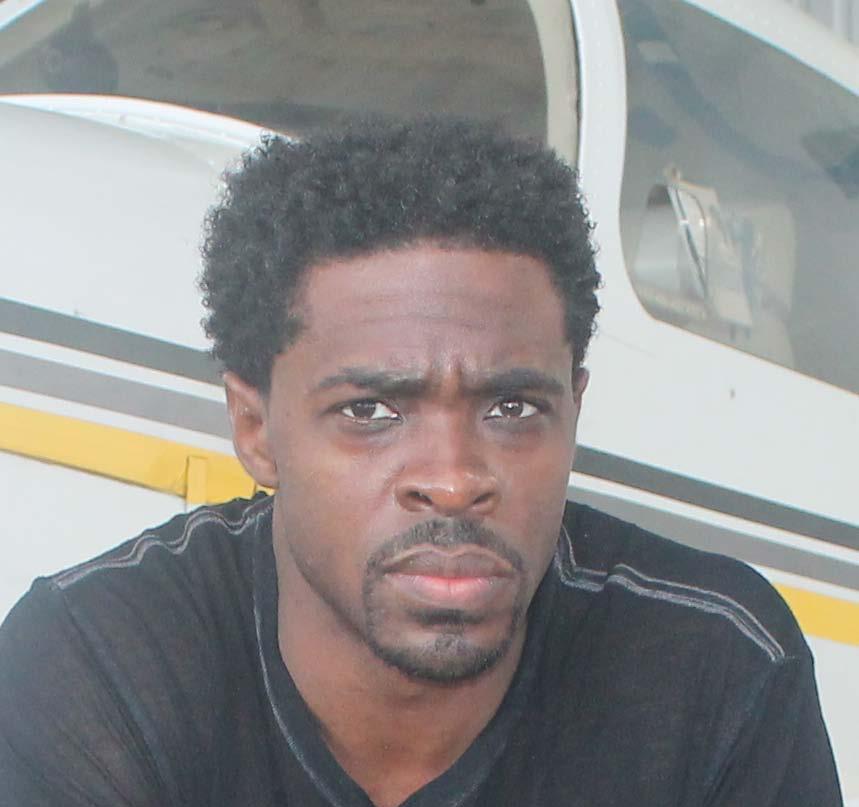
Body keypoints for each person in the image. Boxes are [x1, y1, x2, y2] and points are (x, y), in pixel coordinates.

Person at [0, 118, 842, 807]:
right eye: (369, 411)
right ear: (255, 428)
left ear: (574, 410)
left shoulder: (715, 668)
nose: (452, 478)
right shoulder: (101, 660)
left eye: (513, 408)